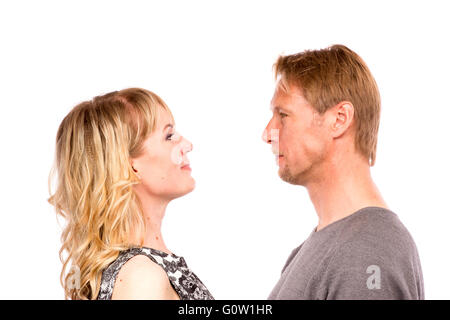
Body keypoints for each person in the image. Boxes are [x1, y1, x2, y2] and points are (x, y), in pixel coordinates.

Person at [262, 45, 424, 299]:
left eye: (283, 115)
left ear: (339, 119)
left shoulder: (368, 248)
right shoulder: (323, 245)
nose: (267, 134)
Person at [48, 88, 214, 300]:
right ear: (129, 166)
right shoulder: (142, 278)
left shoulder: (142, 270)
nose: (188, 145)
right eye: (169, 136)